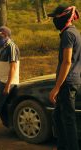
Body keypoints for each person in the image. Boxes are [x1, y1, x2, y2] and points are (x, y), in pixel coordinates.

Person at [48, 5, 81, 150]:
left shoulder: (68, 34)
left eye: (55, 17)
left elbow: (67, 62)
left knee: (68, 120)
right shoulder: (74, 32)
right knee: (59, 117)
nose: (54, 20)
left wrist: (56, 88)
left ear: (64, 17)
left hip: (67, 83)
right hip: (71, 81)